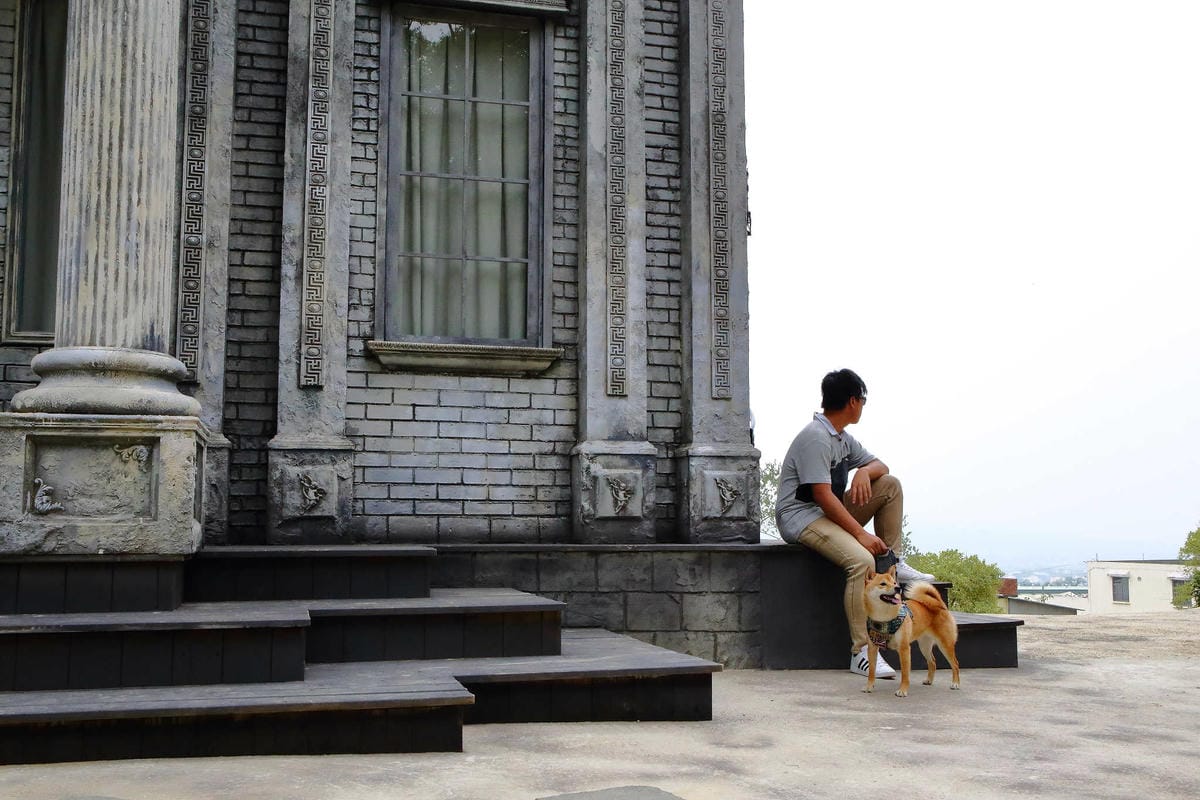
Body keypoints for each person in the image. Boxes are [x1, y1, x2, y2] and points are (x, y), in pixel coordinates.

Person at [775, 368, 934, 679]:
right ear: (852, 401)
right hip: (801, 516)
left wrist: (863, 471)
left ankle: (894, 562)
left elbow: (881, 466)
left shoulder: (842, 439)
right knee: (861, 561)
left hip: (826, 512)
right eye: (863, 399)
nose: (863, 405)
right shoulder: (816, 438)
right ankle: (861, 651)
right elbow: (821, 496)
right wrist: (860, 534)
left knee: (889, 484)